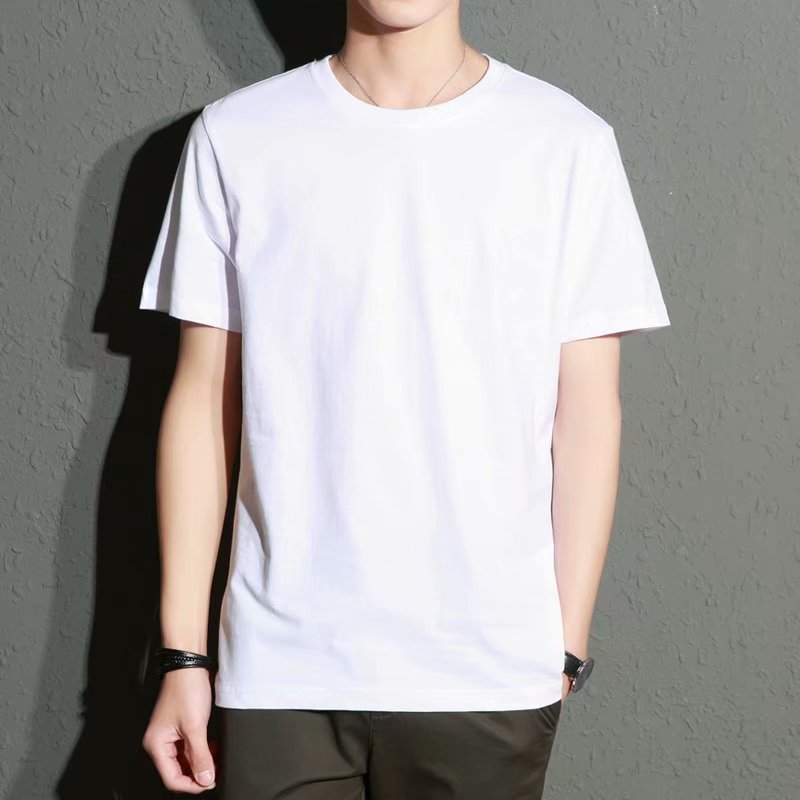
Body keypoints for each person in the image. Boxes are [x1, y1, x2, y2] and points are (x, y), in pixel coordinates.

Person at [138, 1, 671, 797]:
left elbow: (589, 414)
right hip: (282, 671)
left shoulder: (565, 143)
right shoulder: (238, 137)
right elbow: (201, 404)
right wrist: (184, 654)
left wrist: (565, 644)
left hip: (489, 675)